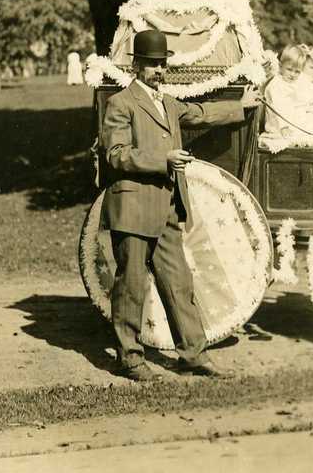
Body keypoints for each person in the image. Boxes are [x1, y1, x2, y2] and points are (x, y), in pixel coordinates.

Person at [100, 29, 259, 382]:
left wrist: (240, 106)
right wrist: (164, 160)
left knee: (179, 284)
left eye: (162, 64)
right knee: (131, 286)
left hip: (167, 208)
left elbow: (198, 114)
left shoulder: (168, 103)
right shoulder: (121, 104)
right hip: (133, 209)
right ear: (137, 65)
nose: (159, 70)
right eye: (153, 64)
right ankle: (130, 359)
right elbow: (116, 155)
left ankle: (194, 355)